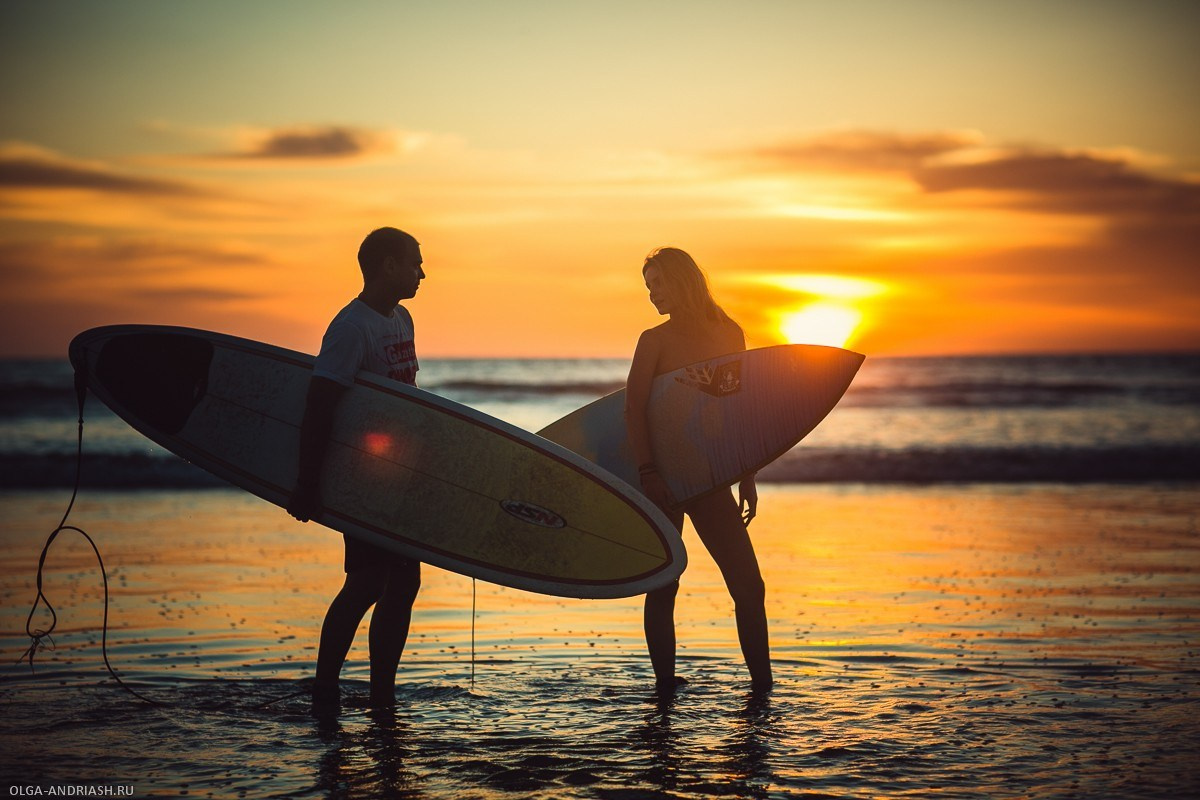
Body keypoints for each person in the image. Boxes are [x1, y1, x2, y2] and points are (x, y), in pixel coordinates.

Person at [287, 226, 426, 709]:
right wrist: (308, 483)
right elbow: (320, 406)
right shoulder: (350, 328)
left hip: (399, 476)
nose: (422, 273)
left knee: (405, 581)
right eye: (414, 263)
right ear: (388, 265)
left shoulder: (402, 319)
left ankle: (381, 693)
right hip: (362, 476)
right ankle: (325, 686)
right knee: (367, 582)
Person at [625, 247, 773, 691]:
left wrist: (747, 473)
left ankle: (762, 684)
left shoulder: (728, 333)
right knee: (664, 585)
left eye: (658, 284)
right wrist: (648, 473)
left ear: (681, 280)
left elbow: (737, 410)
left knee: (749, 586)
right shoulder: (654, 340)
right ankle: (665, 685)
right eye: (648, 287)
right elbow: (634, 409)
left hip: (709, 479)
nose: (652, 295)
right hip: (662, 480)